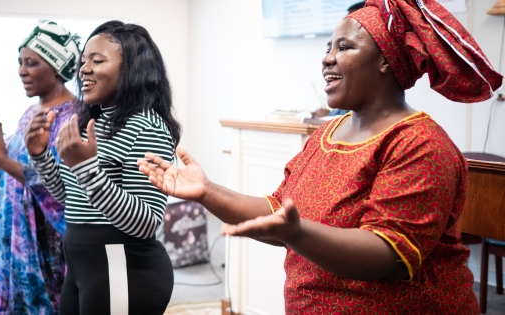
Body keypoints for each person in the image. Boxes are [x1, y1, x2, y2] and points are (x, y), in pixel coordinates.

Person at [138, 0, 503, 313]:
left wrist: (298, 233)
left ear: (386, 62)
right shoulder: (327, 133)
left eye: (344, 47)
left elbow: (388, 253)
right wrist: (206, 192)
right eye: (328, 47)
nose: (327, 58)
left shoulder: (421, 144)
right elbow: (279, 208)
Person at [25, 21, 181, 314]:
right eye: (83, 61)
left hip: (123, 267)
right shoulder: (95, 123)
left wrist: (87, 169)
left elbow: (146, 222)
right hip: (84, 267)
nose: (83, 69)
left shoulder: (148, 126)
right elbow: (73, 198)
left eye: (97, 61)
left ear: (132, 69)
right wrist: (41, 155)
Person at [0, 21, 80, 314]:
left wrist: (2, 159)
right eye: (20, 63)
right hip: (13, 237)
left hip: (45, 249)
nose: (22, 71)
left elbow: (60, 191)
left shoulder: (72, 118)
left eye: (32, 63)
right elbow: (12, 178)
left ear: (55, 68)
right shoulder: (31, 113)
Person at [326, 1, 366, 117]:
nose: (327, 59)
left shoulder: (417, 134)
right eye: (328, 50)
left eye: (343, 48)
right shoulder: (328, 130)